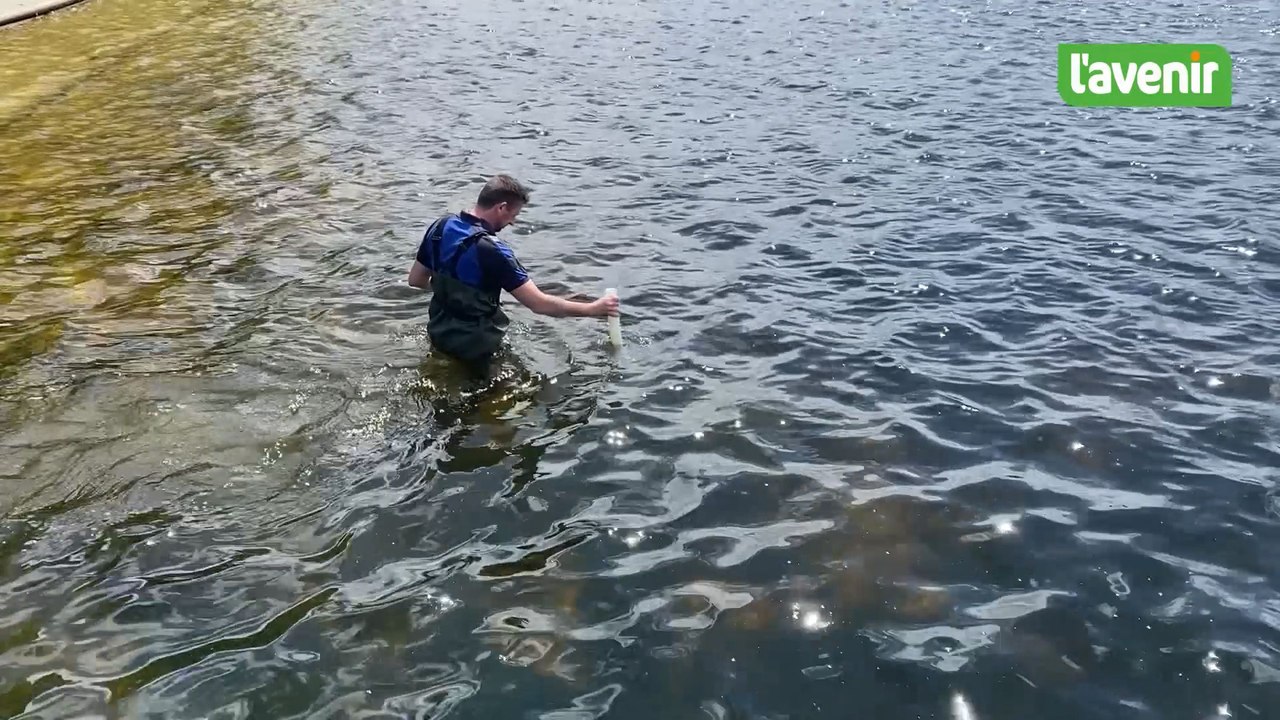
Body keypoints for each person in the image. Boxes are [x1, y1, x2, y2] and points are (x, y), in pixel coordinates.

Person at [407, 174, 620, 363]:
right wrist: (593, 309)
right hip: (476, 347)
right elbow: (539, 305)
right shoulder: (494, 250)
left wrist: (451, 294)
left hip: (439, 333)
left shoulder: (441, 226)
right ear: (501, 207)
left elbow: (415, 280)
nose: (513, 222)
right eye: (514, 215)